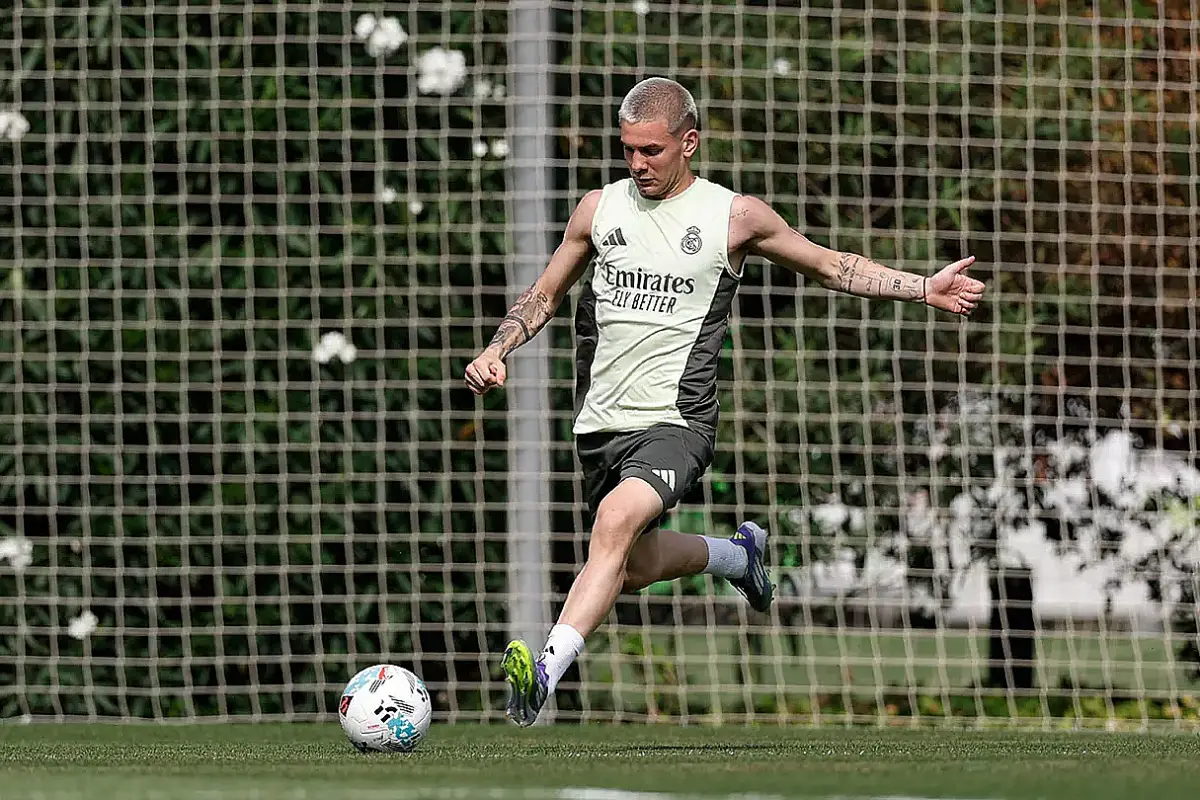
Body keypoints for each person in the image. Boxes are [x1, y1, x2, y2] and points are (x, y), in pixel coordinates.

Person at [464, 77, 986, 726]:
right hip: (599, 424)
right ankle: (737, 557)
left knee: (614, 526)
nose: (637, 163)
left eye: (651, 150)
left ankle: (543, 674)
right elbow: (543, 294)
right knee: (631, 564)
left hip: (677, 422)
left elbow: (830, 266)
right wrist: (498, 349)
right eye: (628, 150)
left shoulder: (733, 217)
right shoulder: (598, 209)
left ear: (688, 143)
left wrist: (922, 287)